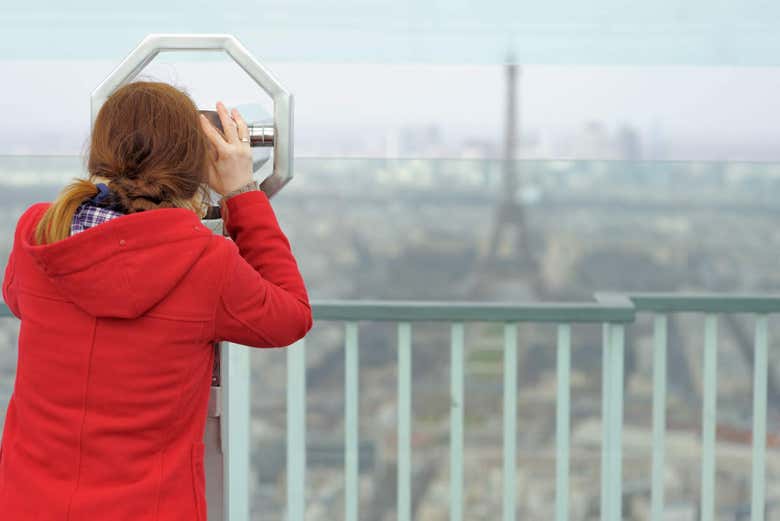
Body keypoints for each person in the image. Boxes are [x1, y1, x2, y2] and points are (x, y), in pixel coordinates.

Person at [0, 81, 313, 520]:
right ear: (194, 160)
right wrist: (243, 193)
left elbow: (18, 298)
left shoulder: (39, 234)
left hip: (26, 502)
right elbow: (291, 316)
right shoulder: (204, 264)